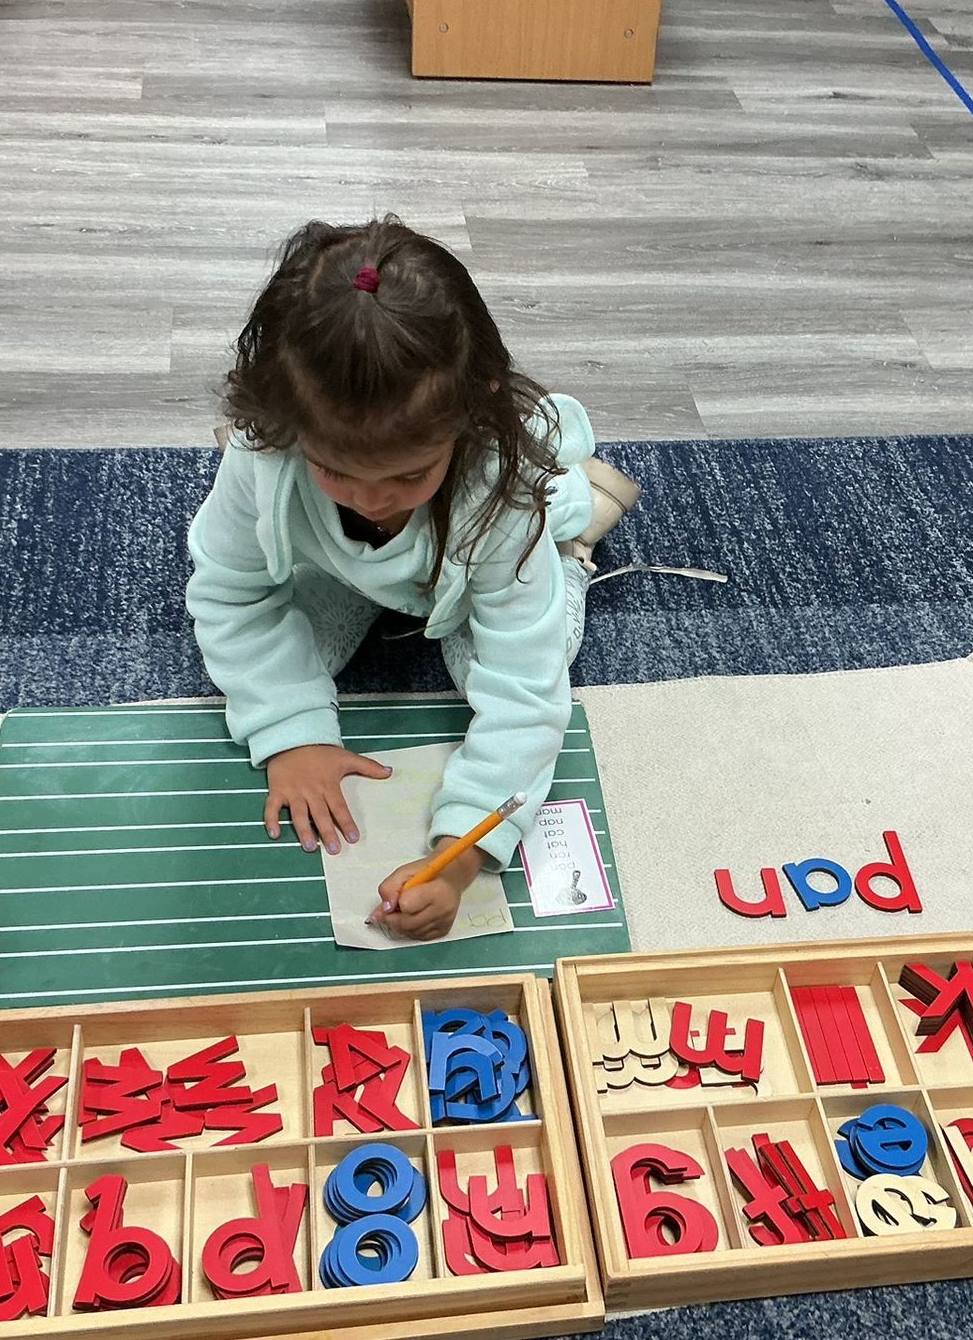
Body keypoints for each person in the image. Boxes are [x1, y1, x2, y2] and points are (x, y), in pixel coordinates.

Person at [186, 216, 637, 941]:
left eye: (406, 475)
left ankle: (572, 534)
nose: (371, 500)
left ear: (471, 416)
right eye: (335, 469)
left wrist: (461, 856)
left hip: (477, 562)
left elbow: (526, 691)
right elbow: (230, 595)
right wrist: (291, 735)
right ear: (286, 422)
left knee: (541, 649)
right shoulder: (262, 453)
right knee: (289, 655)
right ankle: (389, 542)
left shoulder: (498, 488)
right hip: (348, 568)